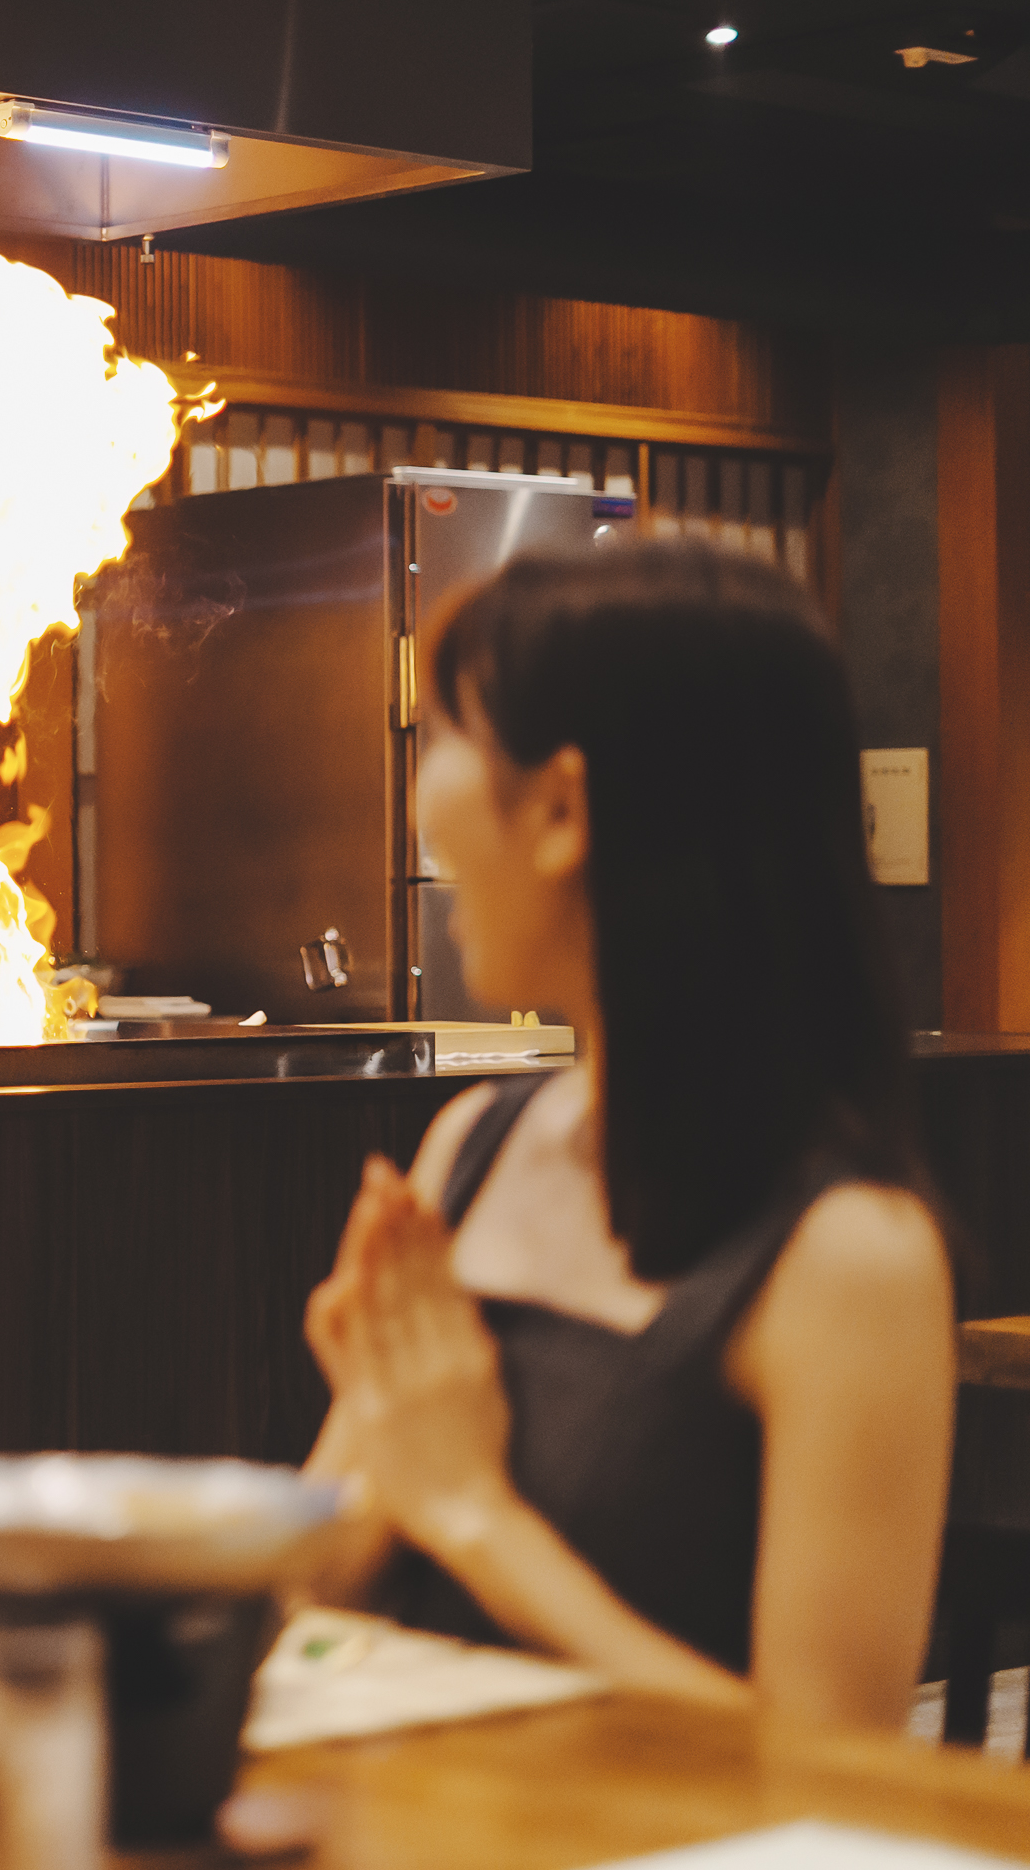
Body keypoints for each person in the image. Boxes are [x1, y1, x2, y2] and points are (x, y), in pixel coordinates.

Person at [300, 542, 955, 1732]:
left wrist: (476, 1515)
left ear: (560, 808)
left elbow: (836, 1769)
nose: (420, 789)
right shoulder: (470, 1149)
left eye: (445, 730)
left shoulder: (853, 1257)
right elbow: (314, 1595)